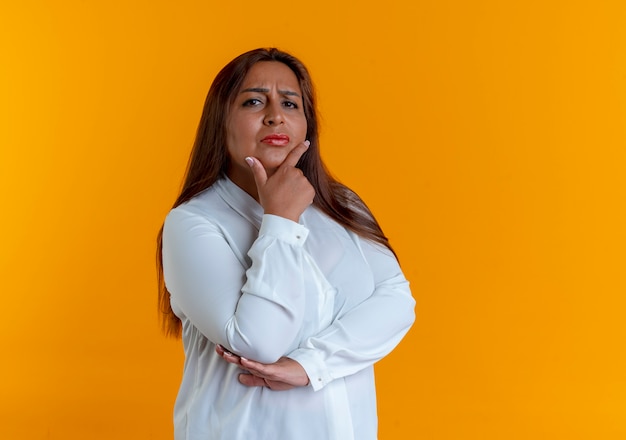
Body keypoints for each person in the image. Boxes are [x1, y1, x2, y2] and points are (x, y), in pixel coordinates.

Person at [156, 47, 415, 440]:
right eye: (254, 101)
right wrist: (280, 220)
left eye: (290, 103)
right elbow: (259, 341)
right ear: (220, 121)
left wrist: (311, 365)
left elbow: (397, 301)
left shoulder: (341, 206)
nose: (275, 114)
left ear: (306, 123)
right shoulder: (193, 224)